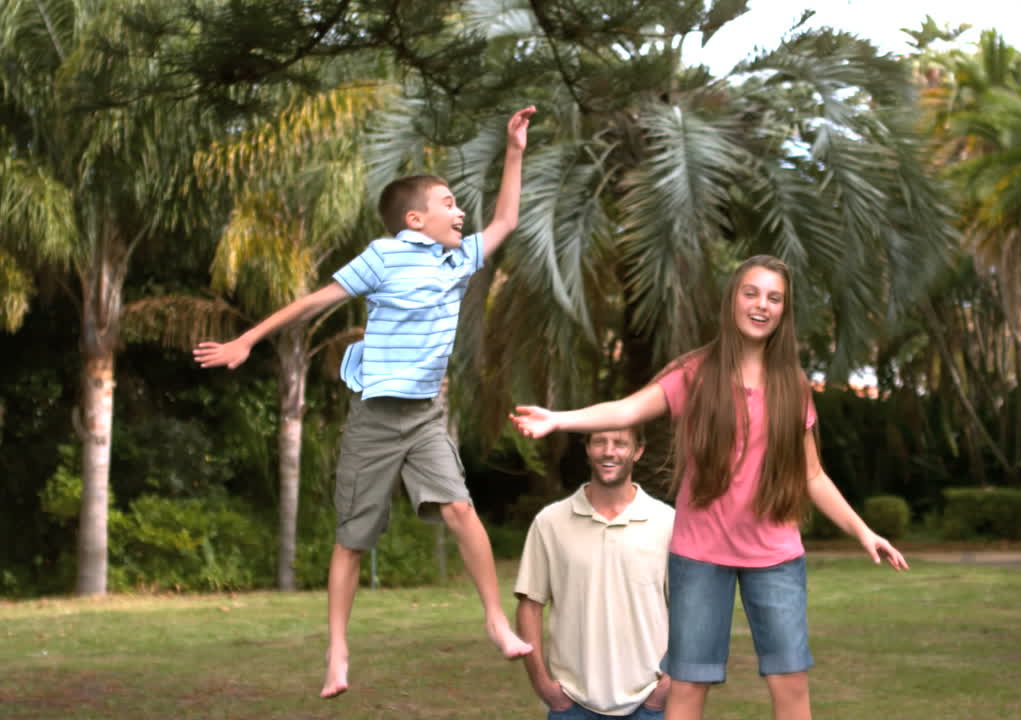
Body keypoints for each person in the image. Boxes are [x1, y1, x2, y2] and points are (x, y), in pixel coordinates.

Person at [194, 106, 538, 699]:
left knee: (460, 509)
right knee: (352, 539)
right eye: (449, 203)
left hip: (425, 416)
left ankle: (495, 621)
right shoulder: (383, 255)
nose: (461, 212)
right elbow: (315, 301)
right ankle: (337, 652)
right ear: (414, 219)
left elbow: (507, 218)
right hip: (375, 419)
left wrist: (514, 150)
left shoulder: (459, 258)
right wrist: (246, 340)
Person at [509, 255, 909, 720]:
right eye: (751, 293)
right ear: (732, 300)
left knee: (790, 682)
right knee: (688, 685)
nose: (761, 305)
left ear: (784, 310)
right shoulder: (694, 372)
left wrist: (863, 531)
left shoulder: (792, 385)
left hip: (775, 555)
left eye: (774, 298)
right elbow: (627, 410)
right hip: (700, 555)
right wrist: (558, 419)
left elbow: (811, 474)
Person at [514, 426, 675, 719]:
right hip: (571, 704)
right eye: (600, 442)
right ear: (587, 448)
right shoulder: (550, 522)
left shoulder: (667, 522)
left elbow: (689, 610)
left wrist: (669, 683)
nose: (608, 451)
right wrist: (542, 684)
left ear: (638, 451)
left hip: (649, 704)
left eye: (620, 443)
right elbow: (530, 606)